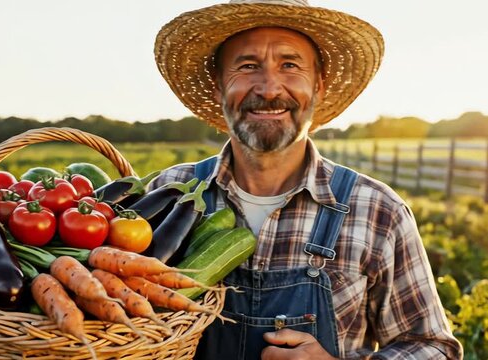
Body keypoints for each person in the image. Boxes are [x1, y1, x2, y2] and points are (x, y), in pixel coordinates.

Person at [148, 0, 463, 359]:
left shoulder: (377, 210)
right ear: (219, 88)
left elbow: (433, 347)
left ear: (318, 86)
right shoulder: (167, 194)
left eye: (290, 65)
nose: (269, 89)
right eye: (248, 66)